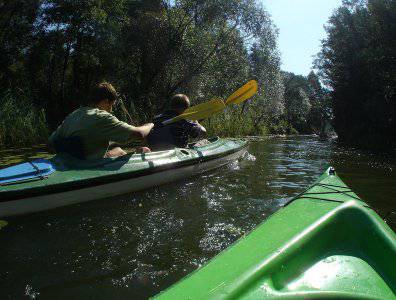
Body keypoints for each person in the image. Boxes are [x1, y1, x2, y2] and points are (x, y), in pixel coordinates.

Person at [49, 82, 153, 160]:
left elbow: (51, 142)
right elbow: (139, 134)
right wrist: (150, 125)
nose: (111, 110)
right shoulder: (103, 117)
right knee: (145, 150)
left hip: (68, 163)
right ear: (106, 101)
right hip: (88, 167)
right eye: (111, 105)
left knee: (118, 149)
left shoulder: (74, 114)